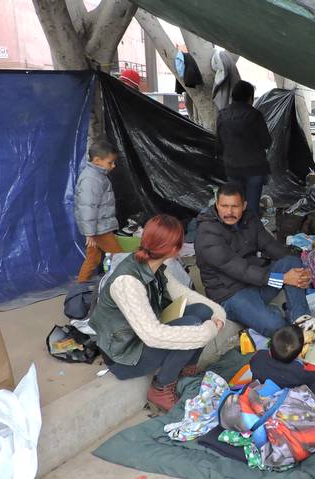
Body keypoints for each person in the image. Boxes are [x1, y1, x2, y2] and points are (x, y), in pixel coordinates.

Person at [90, 215, 226, 411]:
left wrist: (217, 314)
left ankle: (186, 373)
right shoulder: (127, 282)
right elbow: (153, 336)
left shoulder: (153, 265)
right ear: (174, 249)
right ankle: (161, 388)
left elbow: (184, 293)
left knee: (203, 312)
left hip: (138, 339)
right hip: (124, 356)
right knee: (194, 326)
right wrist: (208, 332)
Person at [195, 182, 315, 337]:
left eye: (235, 206)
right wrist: (283, 279)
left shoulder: (249, 219)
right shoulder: (207, 234)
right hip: (231, 294)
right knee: (275, 326)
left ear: (244, 205)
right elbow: (240, 270)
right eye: (224, 206)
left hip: (256, 281)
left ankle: (301, 319)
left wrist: (302, 271)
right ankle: (274, 315)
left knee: (291, 262)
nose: (229, 212)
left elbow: (270, 245)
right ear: (217, 205)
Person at [215, 80, 272, 214]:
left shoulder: (222, 115)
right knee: (252, 208)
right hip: (254, 168)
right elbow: (266, 142)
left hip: (232, 168)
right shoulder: (255, 115)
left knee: (235, 206)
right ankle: (250, 232)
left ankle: (236, 232)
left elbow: (218, 144)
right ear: (249, 97)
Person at [250, 325, 315, 394]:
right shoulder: (299, 369)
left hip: (261, 393)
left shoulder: (258, 356)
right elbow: (314, 373)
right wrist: (301, 362)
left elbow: (253, 365)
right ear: (299, 353)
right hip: (289, 398)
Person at [74, 139, 124, 283]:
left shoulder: (96, 176)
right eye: (110, 162)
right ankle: (122, 285)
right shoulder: (92, 179)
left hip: (97, 228)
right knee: (119, 257)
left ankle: (80, 286)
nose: (113, 166)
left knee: (93, 258)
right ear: (97, 161)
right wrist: (90, 233)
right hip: (99, 230)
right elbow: (87, 207)